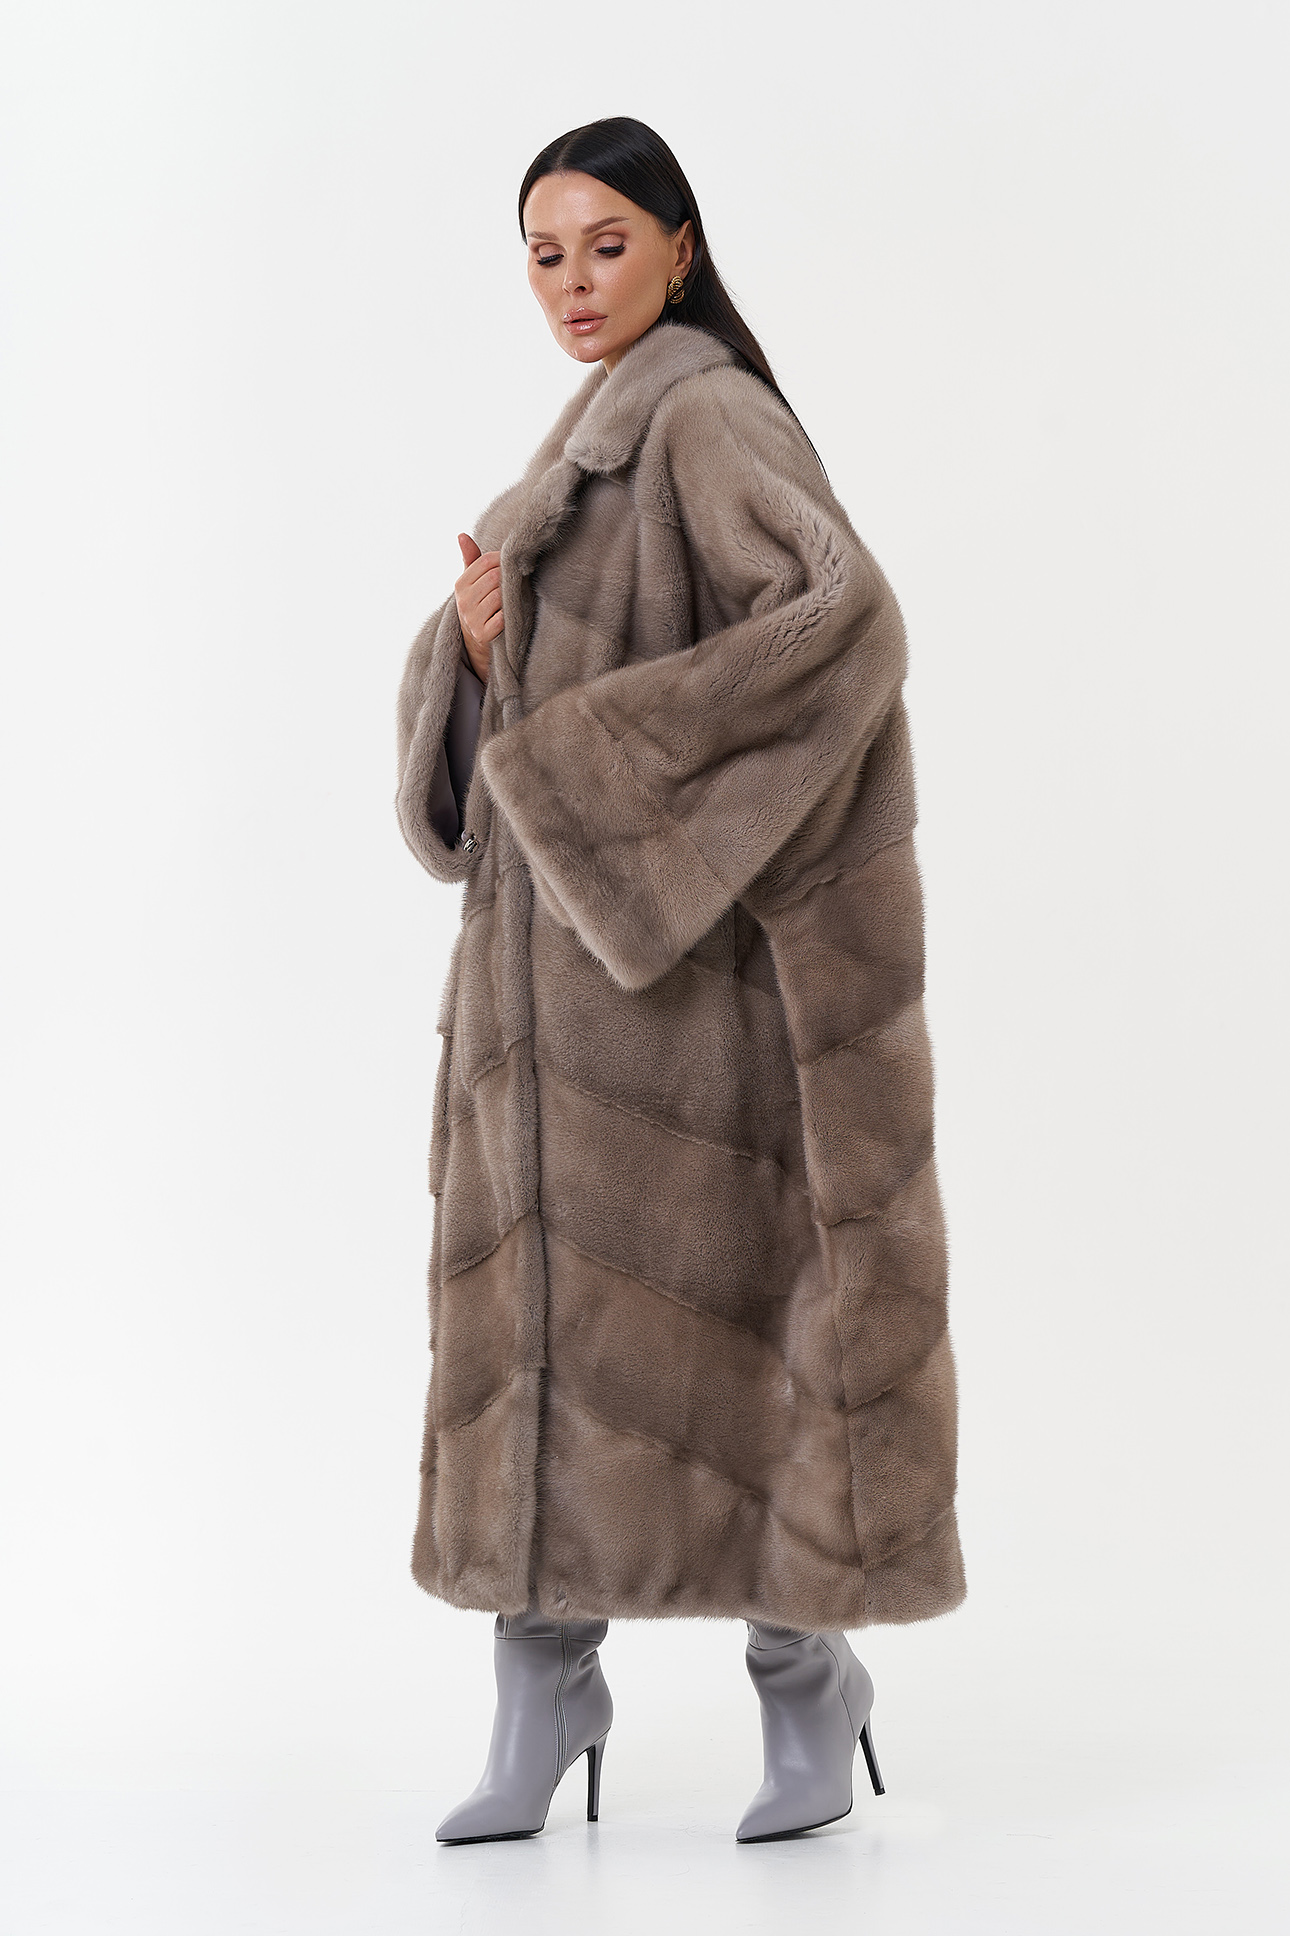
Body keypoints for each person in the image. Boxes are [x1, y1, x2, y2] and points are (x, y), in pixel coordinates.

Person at [394, 116, 966, 1846]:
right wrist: (466, 662)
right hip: (538, 1014)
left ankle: (806, 1686)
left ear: (680, 247)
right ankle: (542, 1690)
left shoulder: (705, 414)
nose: (573, 284)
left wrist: (588, 779)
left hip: (688, 1014)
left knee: (748, 1346)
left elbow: (840, 623)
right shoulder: (578, 447)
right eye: (544, 254)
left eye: (605, 245)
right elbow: (490, 775)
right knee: (534, 1351)